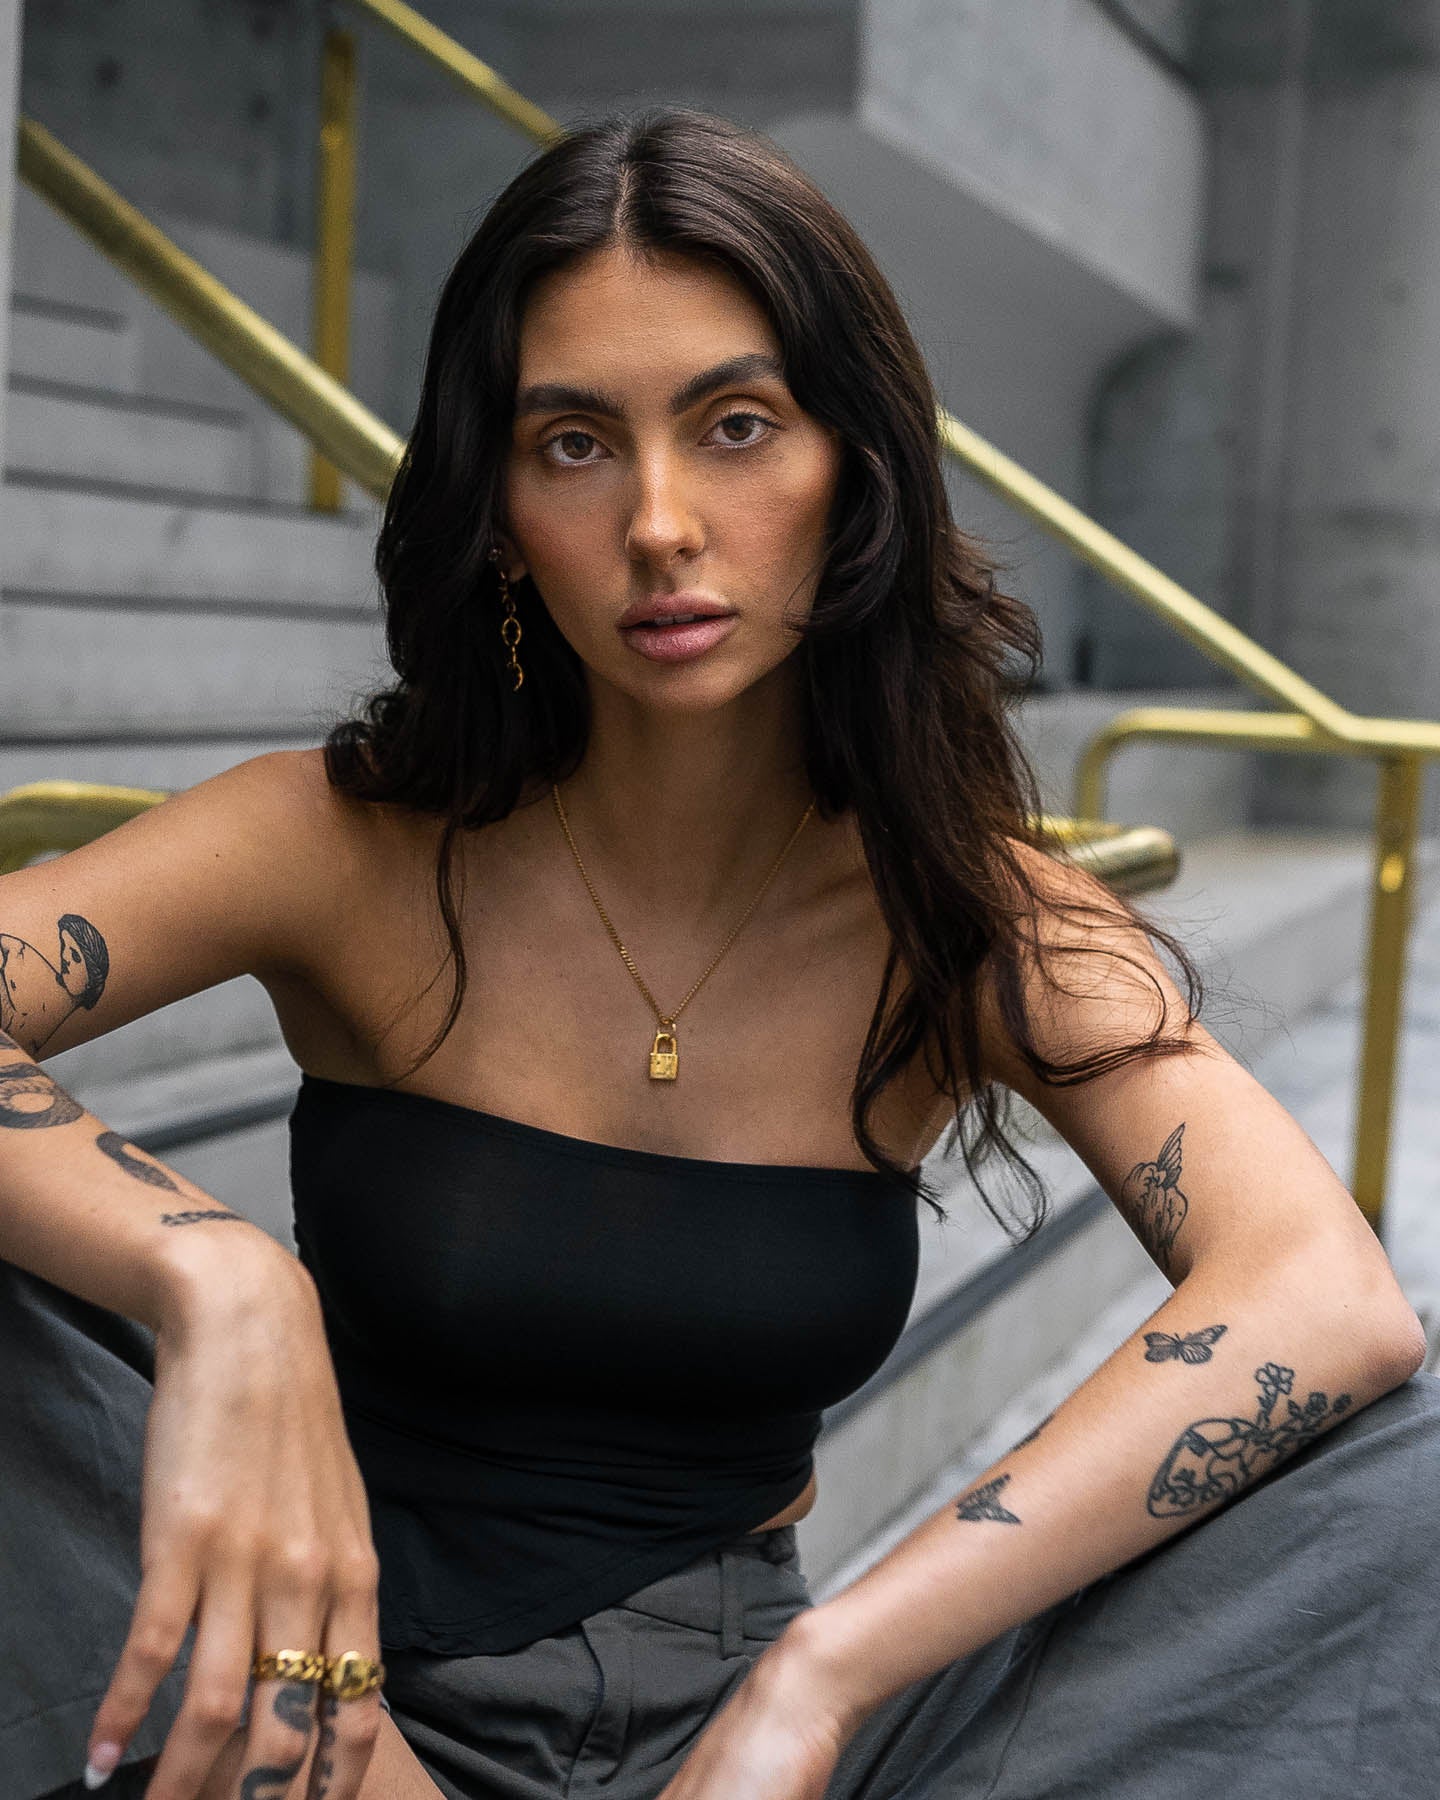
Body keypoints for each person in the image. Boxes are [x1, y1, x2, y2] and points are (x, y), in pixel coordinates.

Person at [2, 108, 1436, 1800]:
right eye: (575, 444)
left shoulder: (966, 914)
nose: (664, 522)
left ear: (857, 470)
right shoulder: (343, 840)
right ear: (497, 506)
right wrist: (228, 1282)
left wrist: (816, 1685)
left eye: (737, 425)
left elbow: (1330, 1297)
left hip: (745, 1745)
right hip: (302, 1687)